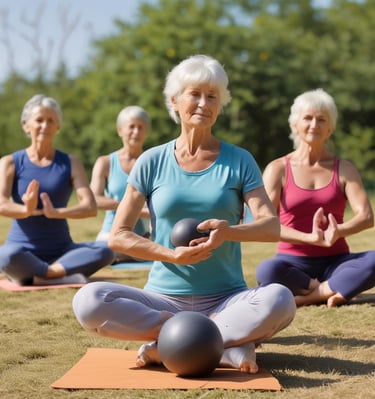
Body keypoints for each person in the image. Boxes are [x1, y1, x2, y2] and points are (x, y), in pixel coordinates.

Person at [72, 55, 296, 374]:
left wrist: (227, 231)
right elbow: (119, 235)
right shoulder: (151, 161)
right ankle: (216, 345)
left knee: (280, 299)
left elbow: (270, 227)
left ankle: (172, 346)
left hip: (226, 301)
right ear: (175, 101)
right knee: (88, 301)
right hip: (163, 301)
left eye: (212, 96)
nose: (203, 103)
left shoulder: (240, 160)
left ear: (220, 105)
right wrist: (169, 255)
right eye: (195, 94)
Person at [256, 88, 375, 308]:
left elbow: (367, 216)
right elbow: (264, 224)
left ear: (330, 128)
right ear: (295, 124)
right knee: (266, 270)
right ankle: (331, 289)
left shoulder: (344, 169)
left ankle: (310, 297)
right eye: (308, 118)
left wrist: (339, 230)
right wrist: (309, 238)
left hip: (337, 260)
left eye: (321, 120)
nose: (314, 125)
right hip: (292, 263)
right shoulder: (277, 169)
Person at [0, 94, 114, 286]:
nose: (45, 125)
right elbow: (1, 203)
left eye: (50, 120)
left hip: (62, 251)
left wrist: (56, 213)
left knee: (106, 250)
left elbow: (90, 207)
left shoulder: (70, 162)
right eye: (39, 120)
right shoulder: (10, 162)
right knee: (6, 255)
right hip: (21, 250)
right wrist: (26, 210)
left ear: (58, 126)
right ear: (26, 125)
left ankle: (44, 275)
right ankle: (57, 274)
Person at [90, 106, 151, 263]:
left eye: (140, 127)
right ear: (120, 131)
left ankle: (129, 254)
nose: (136, 132)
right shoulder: (105, 162)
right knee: (103, 252)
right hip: (110, 234)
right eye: (131, 126)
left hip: (141, 236)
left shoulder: (152, 163)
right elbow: (94, 200)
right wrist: (129, 207)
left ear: (146, 132)